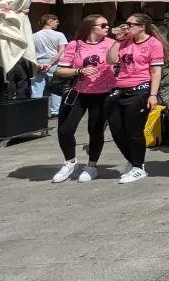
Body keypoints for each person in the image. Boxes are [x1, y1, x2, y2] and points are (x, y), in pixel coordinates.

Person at [50, 15, 119, 183]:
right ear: (91, 27)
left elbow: (119, 61)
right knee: (65, 129)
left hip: (103, 93)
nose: (107, 27)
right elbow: (60, 71)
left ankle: (92, 166)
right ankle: (69, 162)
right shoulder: (75, 45)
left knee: (95, 131)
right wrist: (79, 71)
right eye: (102, 25)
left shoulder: (111, 43)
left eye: (107, 24)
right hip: (78, 92)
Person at [106, 13, 166, 184]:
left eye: (130, 24)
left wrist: (153, 95)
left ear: (142, 27)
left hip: (140, 88)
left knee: (133, 130)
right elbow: (110, 60)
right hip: (120, 87)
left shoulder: (153, 44)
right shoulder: (125, 41)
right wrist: (117, 41)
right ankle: (133, 161)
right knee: (116, 129)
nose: (127, 26)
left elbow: (156, 71)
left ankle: (138, 166)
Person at [31, 14, 69, 118]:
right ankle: (55, 111)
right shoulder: (59, 35)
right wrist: (50, 63)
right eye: (56, 21)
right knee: (55, 88)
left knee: (37, 89)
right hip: (54, 63)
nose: (58, 23)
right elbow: (61, 51)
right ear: (49, 21)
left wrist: (38, 63)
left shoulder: (34, 36)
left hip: (38, 63)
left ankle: (37, 111)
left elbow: (31, 52)